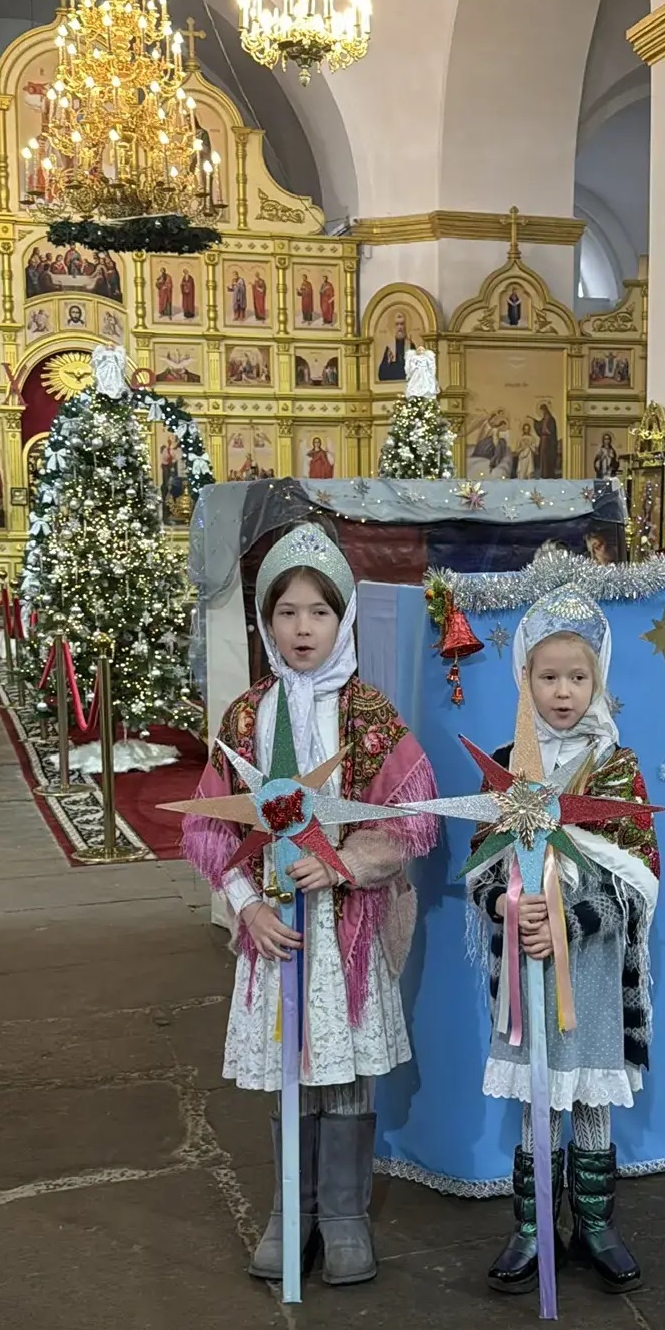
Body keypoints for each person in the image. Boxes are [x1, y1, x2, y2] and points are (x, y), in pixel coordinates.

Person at [182, 524, 439, 1287]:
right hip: (277, 932)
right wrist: (246, 908)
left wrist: (347, 864)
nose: (303, 628)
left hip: (343, 931)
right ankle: (290, 1209)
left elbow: (409, 818)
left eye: (319, 613)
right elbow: (210, 826)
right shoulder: (246, 718)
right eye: (287, 612)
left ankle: (345, 1213)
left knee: (343, 1067)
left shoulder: (367, 715)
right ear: (267, 620)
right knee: (292, 1065)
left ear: (343, 618)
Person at [468, 587, 660, 1297]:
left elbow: (638, 878)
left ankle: (596, 1225)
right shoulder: (506, 766)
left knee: (589, 1098)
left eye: (577, 677)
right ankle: (533, 1228)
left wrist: (570, 922)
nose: (563, 691)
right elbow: (481, 865)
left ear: (597, 681)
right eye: (548, 676)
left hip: (595, 967)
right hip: (528, 968)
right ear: (525, 679)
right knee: (538, 1100)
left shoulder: (616, 768)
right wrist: (506, 905)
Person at [534, 401, 560, 478]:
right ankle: (543, 473)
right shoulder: (543, 419)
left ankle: (549, 474)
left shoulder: (551, 419)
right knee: (543, 457)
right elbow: (540, 426)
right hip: (543, 441)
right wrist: (535, 422)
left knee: (548, 457)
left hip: (549, 441)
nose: (542, 412)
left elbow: (552, 430)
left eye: (543, 410)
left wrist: (548, 431)